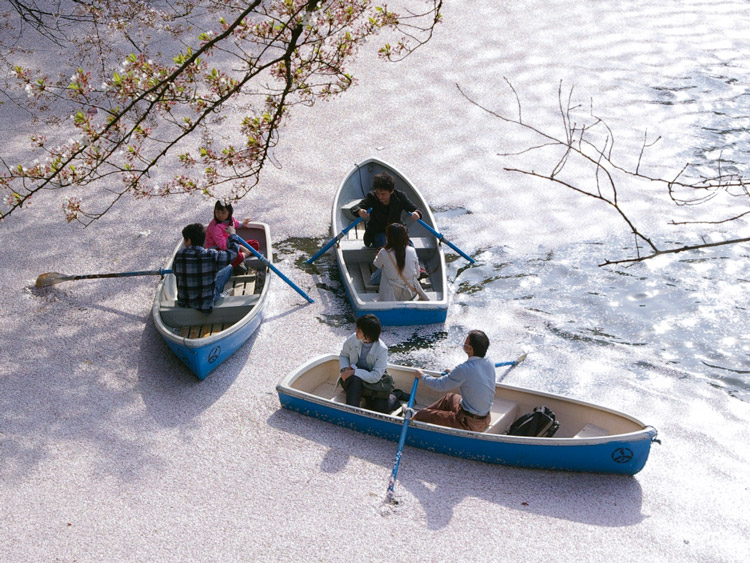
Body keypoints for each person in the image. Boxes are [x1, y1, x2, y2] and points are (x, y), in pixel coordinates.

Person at [412, 330, 495, 432]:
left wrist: (422, 376)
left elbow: (439, 385)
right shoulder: (489, 361)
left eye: (466, 341)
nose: (463, 343)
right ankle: (428, 414)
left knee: (421, 415)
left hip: (469, 422)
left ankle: (419, 416)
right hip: (484, 417)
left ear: (469, 348)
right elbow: (472, 376)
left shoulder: (464, 369)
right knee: (449, 397)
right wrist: (453, 374)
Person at [173, 222, 240, 313]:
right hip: (206, 304)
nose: (184, 242)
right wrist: (233, 235)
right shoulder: (211, 255)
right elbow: (233, 253)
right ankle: (219, 295)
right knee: (228, 267)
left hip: (185, 302)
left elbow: (175, 271)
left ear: (189, 241)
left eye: (184, 240)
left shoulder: (179, 255)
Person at [339, 314, 400, 413]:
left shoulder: (382, 349)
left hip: (371, 382)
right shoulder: (353, 338)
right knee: (354, 381)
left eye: (359, 330)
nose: (356, 332)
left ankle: (396, 394)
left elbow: (376, 376)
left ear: (368, 334)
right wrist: (345, 369)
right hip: (353, 380)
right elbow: (343, 355)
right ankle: (351, 412)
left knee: (380, 407)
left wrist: (354, 372)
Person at [351, 172, 422, 248]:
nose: (380, 197)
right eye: (378, 193)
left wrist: (417, 213)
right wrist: (360, 211)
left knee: (409, 248)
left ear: (391, 191)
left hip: (397, 231)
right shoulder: (372, 197)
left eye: (383, 194)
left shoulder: (400, 196)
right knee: (386, 246)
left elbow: (415, 209)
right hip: (378, 232)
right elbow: (355, 208)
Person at [205, 200, 258, 275]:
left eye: (223, 213)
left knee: (255, 244)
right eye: (217, 212)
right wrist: (239, 247)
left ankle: (240, 258)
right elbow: (222, 245)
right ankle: (242, 257)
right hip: (217, 249)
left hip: (230, 243)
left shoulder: (230, 219)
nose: (220, 215)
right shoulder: (216, 227)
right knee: (237, 255)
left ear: (229, 212)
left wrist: (242, 224)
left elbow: (235, 224)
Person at [373, 223, 421, 301]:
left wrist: (377, 256)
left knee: (384, 270)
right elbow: (417, 275)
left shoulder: (384, 252)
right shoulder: (412, 250)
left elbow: (377, 264)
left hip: (390, 295)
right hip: (410, 293)